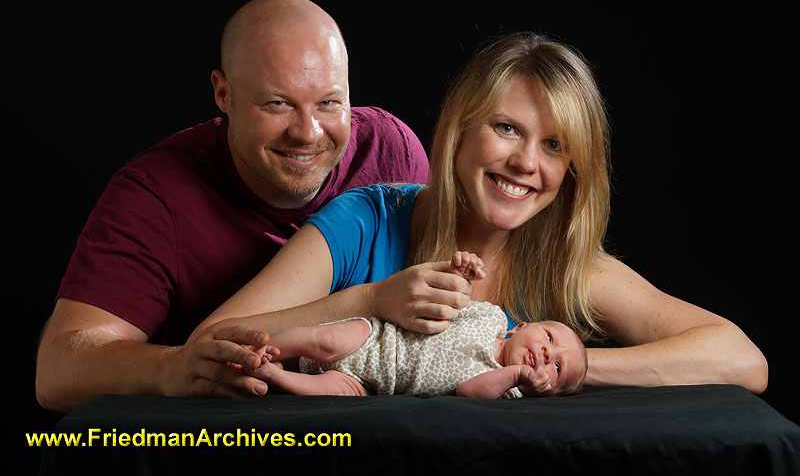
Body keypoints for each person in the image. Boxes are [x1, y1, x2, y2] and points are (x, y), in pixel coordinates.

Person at [191, 31, 768, 395]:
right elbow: (210, 342)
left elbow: (742, 361)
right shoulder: (366, 220)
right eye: (507, 128)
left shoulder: (568, 266)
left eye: (554, 145)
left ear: (572, 171)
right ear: (459, 130)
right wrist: (368, 300)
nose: (525, 163)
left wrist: (579, 368)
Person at [35, 0, 430, 412]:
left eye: (329, 102)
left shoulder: (390, 151)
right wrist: (170, 367)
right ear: (224, 94)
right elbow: (59, 370)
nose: (308, 133)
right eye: (278, 104)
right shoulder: (155, 194)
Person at [242, 251, 587, 398]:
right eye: (549, 337)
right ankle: (268, 348)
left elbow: (469, 392)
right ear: (520, 326)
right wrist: (458, 274)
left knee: (328, 392)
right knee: (324, 339)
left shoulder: (505, 388)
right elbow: (445, 305)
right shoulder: (491, 317)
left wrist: (516, 376)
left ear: (547, 390)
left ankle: (273, 375)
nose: (546, 354)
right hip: (377, 340)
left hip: (371, 382)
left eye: (557, 366)